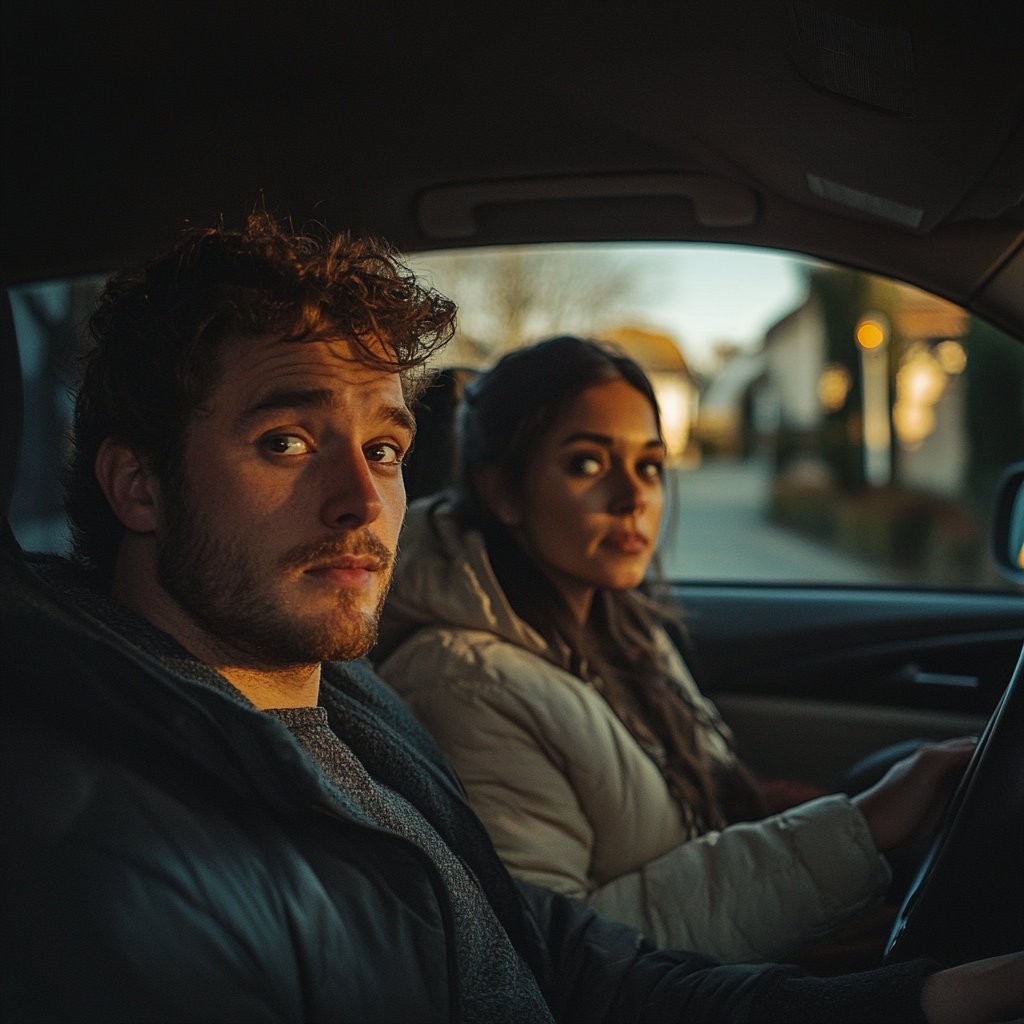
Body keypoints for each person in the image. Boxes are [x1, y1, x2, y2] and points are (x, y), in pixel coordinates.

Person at [2, 216, 1021, 1024]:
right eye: (284, 440)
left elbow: (567, 966)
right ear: (138, 486)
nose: (361, 500)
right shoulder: (111, 887)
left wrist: (922, 1001)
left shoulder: (356, 709)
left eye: (387, 449)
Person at [375, 336, 969, 963]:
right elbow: (564, 955)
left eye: (650, 466)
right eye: (587, 463)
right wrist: (862, 828)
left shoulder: (623, 628)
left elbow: (695, 818)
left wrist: (825, 826)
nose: (634, 498)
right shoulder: (462, 683)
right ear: (503, 493)